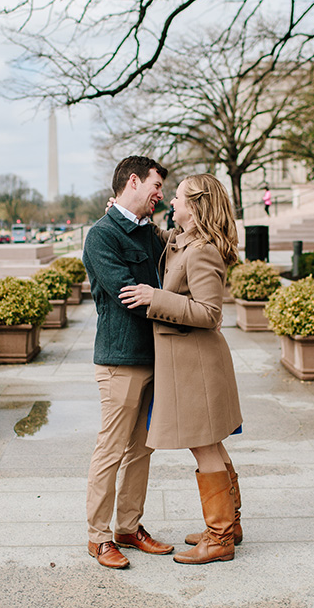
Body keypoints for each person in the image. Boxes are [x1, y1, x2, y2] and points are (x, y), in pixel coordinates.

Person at [120, 173, 244, 565]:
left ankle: (220, 537)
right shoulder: (186, 241)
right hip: (192, 365)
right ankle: (229, 525)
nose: (171, 203)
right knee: (212, 445)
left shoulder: (203, 250)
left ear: (196, 206)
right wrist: (124, 213)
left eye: (177, 198)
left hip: (197, 367)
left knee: (204, 446)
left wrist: (155, 298)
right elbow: (166, 242)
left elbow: (210, 313)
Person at [81, 155, 174, 569]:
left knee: (142, 450)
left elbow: (168, 280)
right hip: (120, 360)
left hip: (156, 356)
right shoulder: (101, 236)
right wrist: (175, 306)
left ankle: (128, 527)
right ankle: (99, 537)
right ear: (132, 181)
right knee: (112, 449)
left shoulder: (152, 236)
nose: (161, 194)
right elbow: (128, 295)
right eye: (156, 185)